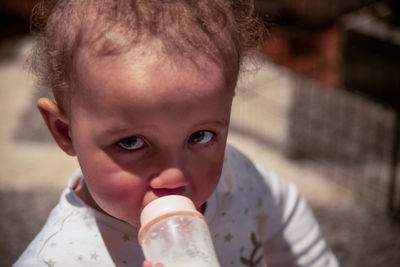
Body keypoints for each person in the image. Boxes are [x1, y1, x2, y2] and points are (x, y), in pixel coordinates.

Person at [14, 0, 339, 266]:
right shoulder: (57, 257)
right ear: (64, 132)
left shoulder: (233, 177)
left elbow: (285, 210)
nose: (173, 177)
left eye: (199, 136)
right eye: (131, 142)